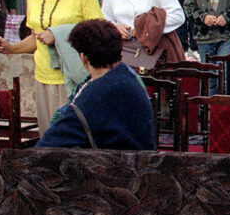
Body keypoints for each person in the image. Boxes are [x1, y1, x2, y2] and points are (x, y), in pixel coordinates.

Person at [0, 0, 104, 132]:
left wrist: (59, 34)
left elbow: (97, 30)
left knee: (74, 138)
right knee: (49, 138)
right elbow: (35, 38)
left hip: (74, 78)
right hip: (43, 76)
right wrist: (10, 48)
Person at [37, 19, 155, 150]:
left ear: (83, 58)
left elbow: (48, 145)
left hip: (110, 166)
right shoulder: (131, 77)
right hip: (144, 163)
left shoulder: (93, 95)